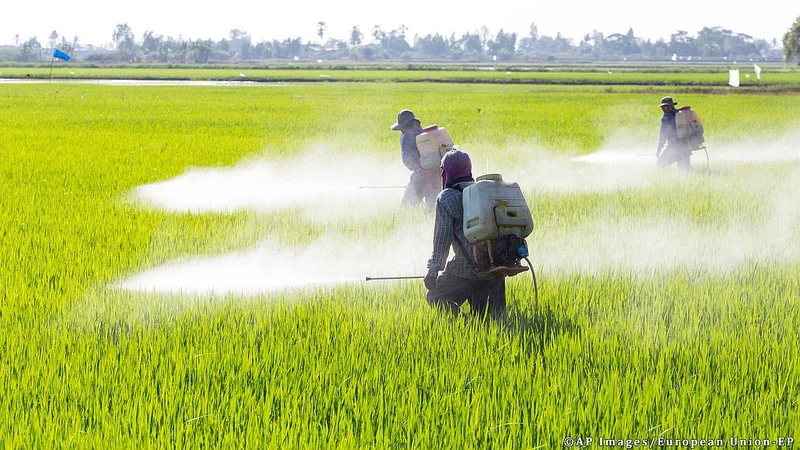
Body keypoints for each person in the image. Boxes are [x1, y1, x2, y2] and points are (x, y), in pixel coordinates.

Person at [424, 149, 506, 317]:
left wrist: (433, 271)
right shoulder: (485, 192)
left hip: (464, 270)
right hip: (496, 268)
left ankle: (465, 324)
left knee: (436, 297)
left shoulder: (446, 198)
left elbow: (442, 240)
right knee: (492, 322)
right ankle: (473, 329)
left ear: (447, 172)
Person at [391, 109, 441, 212]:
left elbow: (407, 160)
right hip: (436, 175)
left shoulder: (406, 137)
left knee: (406, 208)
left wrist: (416, 171)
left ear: (405, 125)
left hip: (420, 176)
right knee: (434, 211)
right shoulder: (423, 133)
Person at [656, 96, 691, 172]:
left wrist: (659, 149)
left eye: (664, 107)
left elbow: (663, 134)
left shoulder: (667, 116)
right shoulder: (680, 114)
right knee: (685, 172)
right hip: (686, 148)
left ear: (670, 106)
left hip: (674, 148)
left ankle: (668, 181)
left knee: (660, 164)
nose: (663, 109)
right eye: (662, 107)